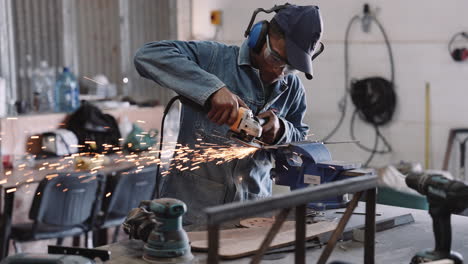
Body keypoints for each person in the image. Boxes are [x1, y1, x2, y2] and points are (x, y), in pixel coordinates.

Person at [134, 4, 323, 225]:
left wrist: (282, 131)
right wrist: (212, 89)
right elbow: (146, 55)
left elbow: (300, 145)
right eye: (275, 59)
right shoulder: (214, 59)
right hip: (192, 214)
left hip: (252, 216)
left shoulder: (292, 88)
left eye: (290, 67)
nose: (279, 72)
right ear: (258, 37)